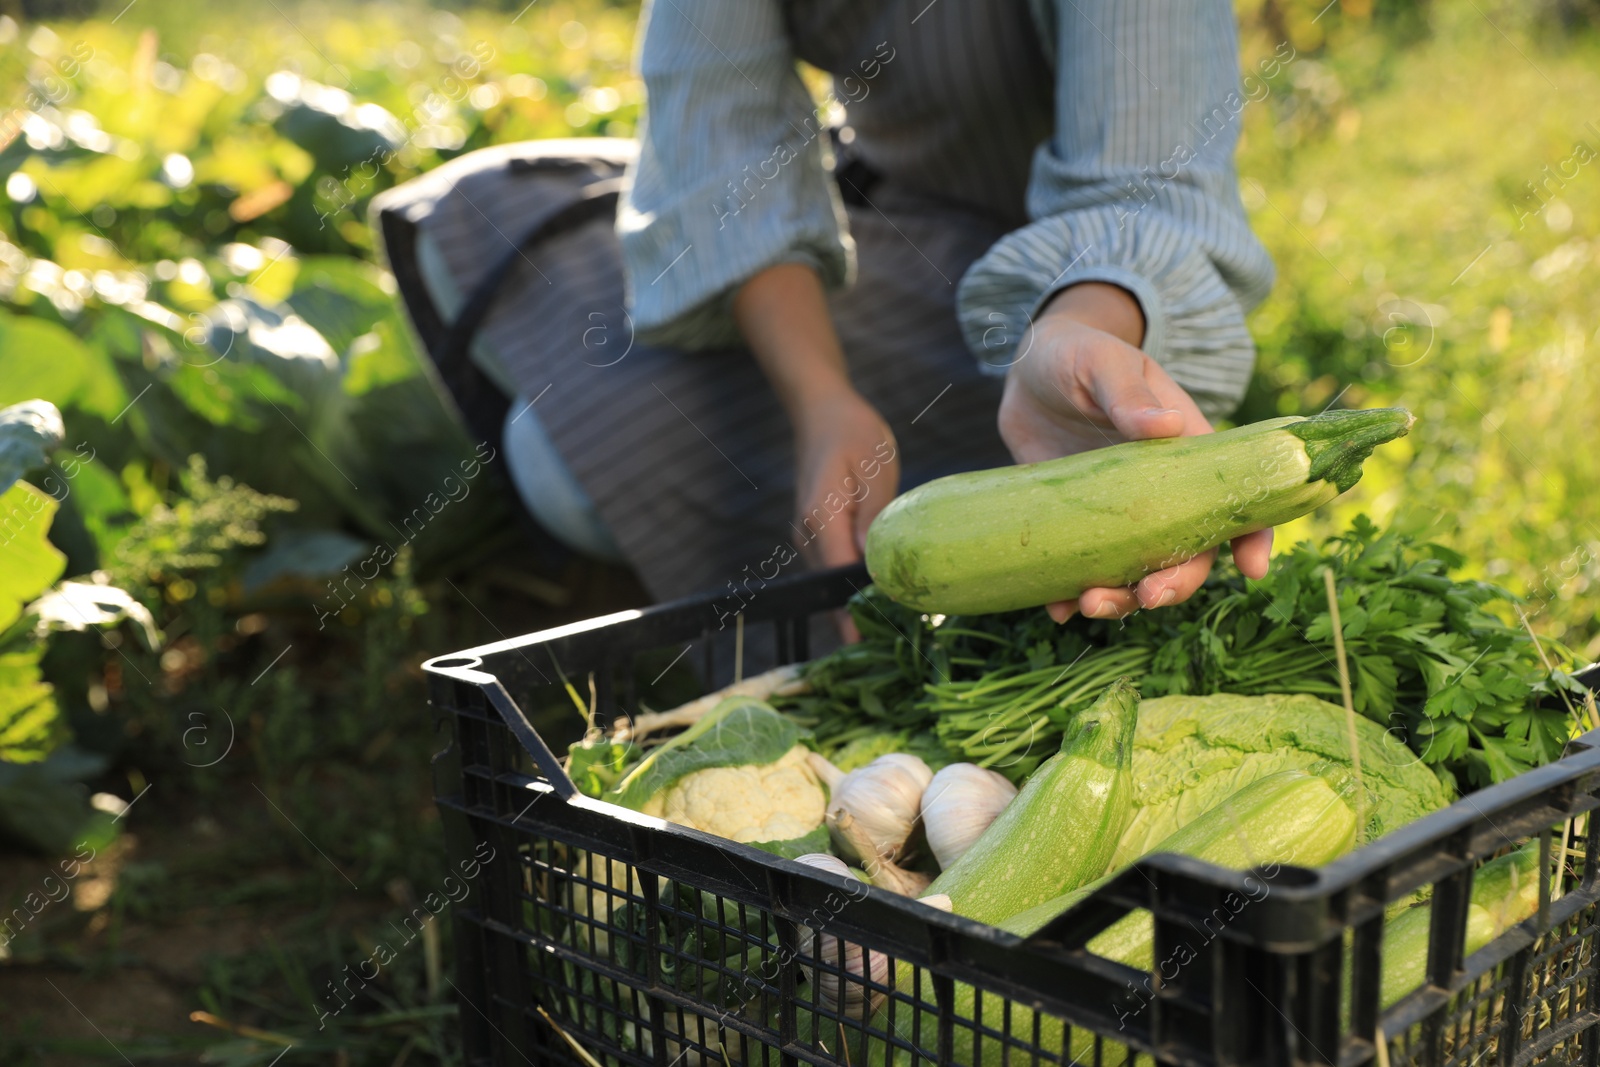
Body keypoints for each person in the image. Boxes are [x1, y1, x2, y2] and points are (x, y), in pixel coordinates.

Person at [501, 0, 1276, 622]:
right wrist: (822, 402)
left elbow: (1148, 186)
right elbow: (722, 141)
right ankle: (905, 535)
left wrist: (1075, 333)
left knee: (555, 450)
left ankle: (961, 534)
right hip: (895, 229)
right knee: (487, 229)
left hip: (1089, 295)